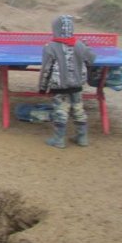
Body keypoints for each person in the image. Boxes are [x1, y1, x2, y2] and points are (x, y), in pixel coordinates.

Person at [39, 15, 96, 149]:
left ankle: (58, 140)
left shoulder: (50, 47)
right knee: (78, 110)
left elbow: (46, 69)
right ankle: (82, 138)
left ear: (55, 29)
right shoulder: (79, 45)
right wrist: (86, 46)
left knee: (61, 111)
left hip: (60, 87)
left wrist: (42, 87)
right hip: (77, 85)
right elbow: (91, 59)